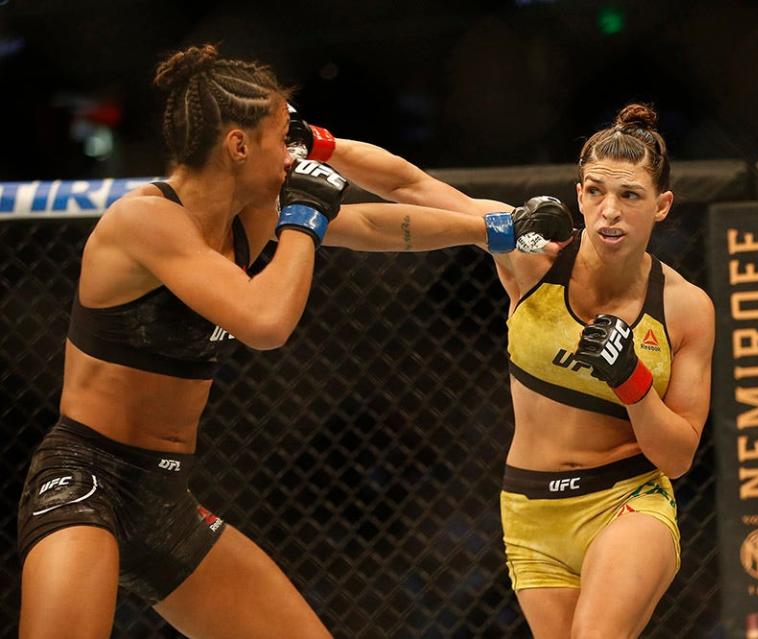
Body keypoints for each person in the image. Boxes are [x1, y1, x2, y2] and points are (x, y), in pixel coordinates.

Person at [16, 44, 572, 639]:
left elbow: (372, 225)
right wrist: (304, 217)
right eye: (282, 138)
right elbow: (266, 321)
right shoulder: (144, 222)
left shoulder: (250, 215)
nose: (292, 155)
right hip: (86, 482)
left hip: (164, 495)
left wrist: (493, 229)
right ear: (238, 146)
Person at [323, 102, 715, 638]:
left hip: (627, 501)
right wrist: (320, 144)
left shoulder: (686, 308)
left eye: (630, 196)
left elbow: (678, 456)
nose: (609, 211)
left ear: (662, 205)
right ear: (578, 193)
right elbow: (413, 187)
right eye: (596, 191)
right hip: (531, 513)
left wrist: (632, 381)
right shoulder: (532, 253)